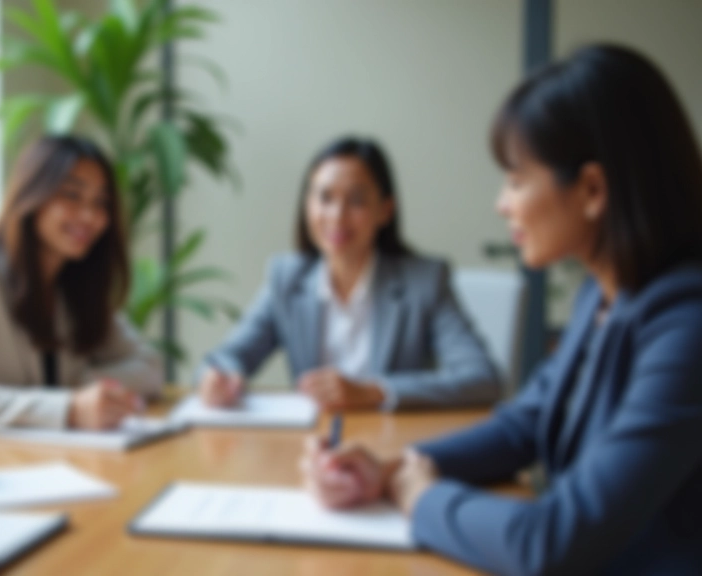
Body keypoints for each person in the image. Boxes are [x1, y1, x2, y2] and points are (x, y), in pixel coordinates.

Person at [301, 44, 702, 575]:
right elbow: (527, 423)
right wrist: (395, 468)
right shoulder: (604, 293)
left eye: (515, 180)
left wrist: (420, 498)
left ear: (591, 190)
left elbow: (553, 540)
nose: (502, 203)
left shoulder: (687, 323)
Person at [198, 136, 500, 411]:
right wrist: (221, 377)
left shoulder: (426, 281)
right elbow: (228, 356)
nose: (337, 216)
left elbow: (482, 378)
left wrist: (375, 392)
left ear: (385, 210)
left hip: (393, 445)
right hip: (312, 447)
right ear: (307, 205)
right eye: (324, 198)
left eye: (356, 200)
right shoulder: (286, 278)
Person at [0, 135, 163, 433]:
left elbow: (150, 368)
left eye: (100, 202)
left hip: (51, 459)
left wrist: (82, 391)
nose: (89, 216)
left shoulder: (75, 282)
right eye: (71, 195)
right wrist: (67, 407)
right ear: (31, 196)